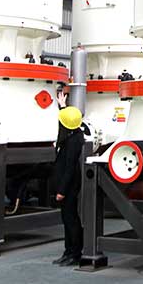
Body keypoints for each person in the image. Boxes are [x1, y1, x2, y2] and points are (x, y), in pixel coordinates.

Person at [52, 105, 84, 266]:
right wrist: (62, 106)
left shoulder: (72, 141)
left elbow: (69, 168)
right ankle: (68, 251)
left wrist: (62, 190)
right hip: (67, 183)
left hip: (69, 185)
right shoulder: (75, 135)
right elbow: (69, 119)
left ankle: (75, 253)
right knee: (67, 218)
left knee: (71, 219)